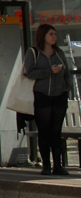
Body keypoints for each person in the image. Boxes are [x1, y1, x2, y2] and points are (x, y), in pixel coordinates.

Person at [23, 23, 71, 175]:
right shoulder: (33, 52)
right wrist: (49, 71)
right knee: (44, 131)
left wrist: (67, 87)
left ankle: (58, 165)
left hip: (59, 95)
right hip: (42, 95)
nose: (54, 37)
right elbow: (29, 72)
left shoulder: (59, 53)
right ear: (43, 35)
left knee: (56, 131)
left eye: (55, 34)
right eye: (51, 34)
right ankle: (46, 165)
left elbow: (67, 71)